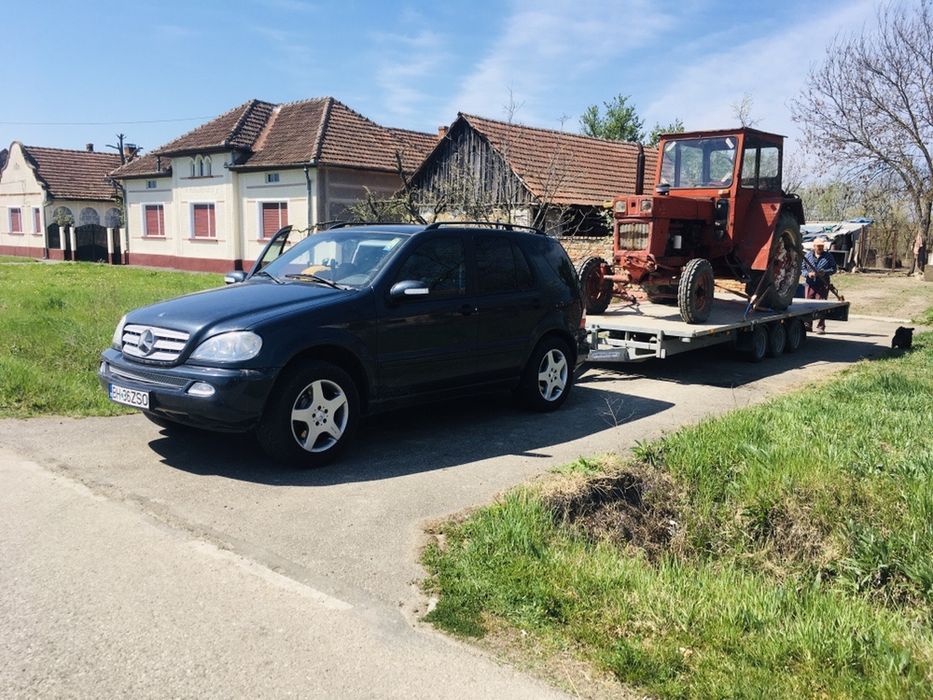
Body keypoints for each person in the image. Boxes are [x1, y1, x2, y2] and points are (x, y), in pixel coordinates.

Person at [801, 237, 837, 334]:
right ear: (814, 246)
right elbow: (802, 269)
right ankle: (807, 324)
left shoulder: (828, 256)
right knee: (808, 304)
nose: (820, 248)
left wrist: (824, 272)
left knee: (821, 305)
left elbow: (834, 269)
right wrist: (808, 274)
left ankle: (821, 326)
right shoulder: (807, 256)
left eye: (821, 246)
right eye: (818, 246)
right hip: (810, 283)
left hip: (823, 283)